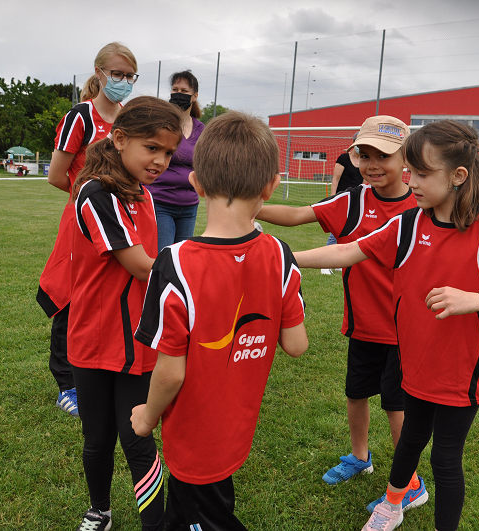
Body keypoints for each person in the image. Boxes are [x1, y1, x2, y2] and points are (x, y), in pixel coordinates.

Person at [294, 120, 479, 531]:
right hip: (414, 364)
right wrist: (285, 258)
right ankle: (392, 505)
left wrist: (473, 300)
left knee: (444, 458)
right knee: (409, 440)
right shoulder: (408, 223)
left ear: (458, 176)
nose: (412, 182)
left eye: (422, 173)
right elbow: (350, 251)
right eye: (411, 172)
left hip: (461, 374)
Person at [130, 111, 308, 529]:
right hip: (236, 427)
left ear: (195, 183)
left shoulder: (174, 264)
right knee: (211, 507)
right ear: (271, 186)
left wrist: (147, 416)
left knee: (202, 516)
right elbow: (296, 344)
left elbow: (170, 372)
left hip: (192, 438)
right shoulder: (280, 255)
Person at [256, 115, 428, 507]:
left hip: (405, 331)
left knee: (396, 406)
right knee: (356, 394)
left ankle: (410, 482)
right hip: (363, 325)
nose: (372, 165)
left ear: (406, 159)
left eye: (383, 156)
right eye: (364, 155)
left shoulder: (421, 206)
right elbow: (300, 215)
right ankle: (360, 456)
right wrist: (251, 206)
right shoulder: (353, 200)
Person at [69, 96, 182, 531]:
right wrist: (201, 265)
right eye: (151, 147)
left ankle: (157, 526)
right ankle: (99, 511)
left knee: (138, 438)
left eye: (168, 152)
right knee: (97, 439)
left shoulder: (143, 194)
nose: (160, 161)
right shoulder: (96, 193)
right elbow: (140, 265)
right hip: (92, 338)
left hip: (136, 340)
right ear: (119, 139)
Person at [36, 42, 139, 418]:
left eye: (130, 76)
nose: (123, 81)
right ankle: (67, 385)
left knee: (107, 296)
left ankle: (97, 372)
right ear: (99, 73)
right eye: (117, 74)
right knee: (70, 298)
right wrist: (89, 200)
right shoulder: (80, 116)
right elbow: (55, 175)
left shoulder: (128, 118)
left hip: (120, 220)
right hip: (81, 223)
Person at [144, 70, 205, 251]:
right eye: (175, 90)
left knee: (182, 257)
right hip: (160, 201)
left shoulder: (201, 129)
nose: (178, 94)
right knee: (163, 255)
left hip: (189, 206)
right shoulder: (162, 124)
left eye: (184, 91)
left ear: (195, 96)